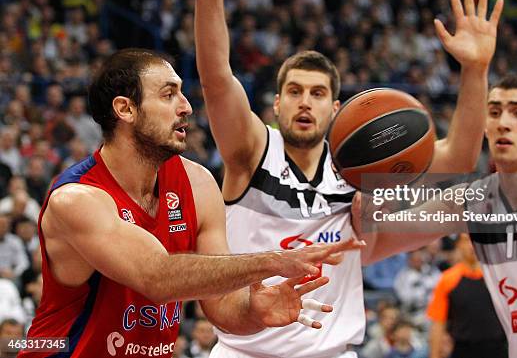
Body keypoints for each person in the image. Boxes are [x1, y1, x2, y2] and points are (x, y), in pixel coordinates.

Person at [176, 0, 503, 357]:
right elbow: (216, 78)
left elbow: (458, 160)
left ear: (335, 108)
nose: (304, 102)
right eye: (294, 91)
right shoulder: (251, 149)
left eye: (316, 93)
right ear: (276, 103)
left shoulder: (358, 170)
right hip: (246, 351)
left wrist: (474, 71)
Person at [20, 49, 364, 358]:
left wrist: (254, 313)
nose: (186, 106)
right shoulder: (77, 199)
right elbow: (157, 278)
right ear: (125, 108)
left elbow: (223, 305)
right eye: (169, 94)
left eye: (182, 93)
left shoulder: (197, 183)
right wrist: (273, 261)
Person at [356, 75, 517, 357]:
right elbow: (372, 248)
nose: (503, 122)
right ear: (486, 128)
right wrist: (368, 187)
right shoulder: (470, 202)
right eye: (494, 112)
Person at [427, 234, 507, 358]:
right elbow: (438, 323)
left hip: (498, 347)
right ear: (459, 245)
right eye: (466, 241)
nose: (472, 245)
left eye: (475, 240)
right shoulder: (448, 279)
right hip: (463, 349)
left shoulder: (498, 275)